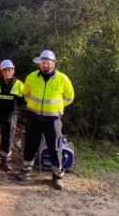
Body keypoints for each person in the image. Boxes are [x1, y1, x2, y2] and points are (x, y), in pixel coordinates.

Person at [16, 50, 74, 190]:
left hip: (53, 119)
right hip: (34, 117)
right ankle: (25, 170)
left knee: (55, 147)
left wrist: (56, 107)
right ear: (39, 64)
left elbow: (69, 98)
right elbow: (26, 94)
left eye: (48, 63)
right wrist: (35, 106)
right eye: (43, 63)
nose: (45, 65)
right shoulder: (32, 77)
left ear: (54, 64)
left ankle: (57, 175)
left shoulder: (63, 79)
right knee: (30, 144)